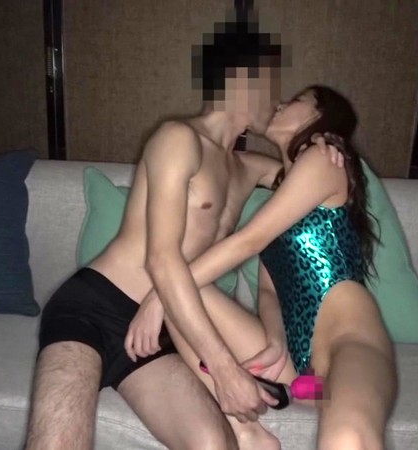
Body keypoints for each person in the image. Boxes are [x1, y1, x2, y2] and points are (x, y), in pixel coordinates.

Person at [24, 14, 344, 449]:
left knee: (214, 445)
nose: (277, 101)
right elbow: (162, 258)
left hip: (167, 329)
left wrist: (324, 145)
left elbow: (313, 190)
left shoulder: (250, 168)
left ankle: (255, 426)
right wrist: (224, 369)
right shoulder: (178, 139)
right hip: (94, 307)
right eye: (273, 87)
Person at [127, 85, 398, 450]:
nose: (280, 104)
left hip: (351, 348)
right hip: (304, 380)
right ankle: (247, 434)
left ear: (319, 117)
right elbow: (269, 291)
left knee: (347, 438)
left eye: (297, 100)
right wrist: (275, 340)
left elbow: (248, 241)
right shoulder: (284, 192)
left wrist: (156, 298)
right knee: (185, 292)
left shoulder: (323, 162)